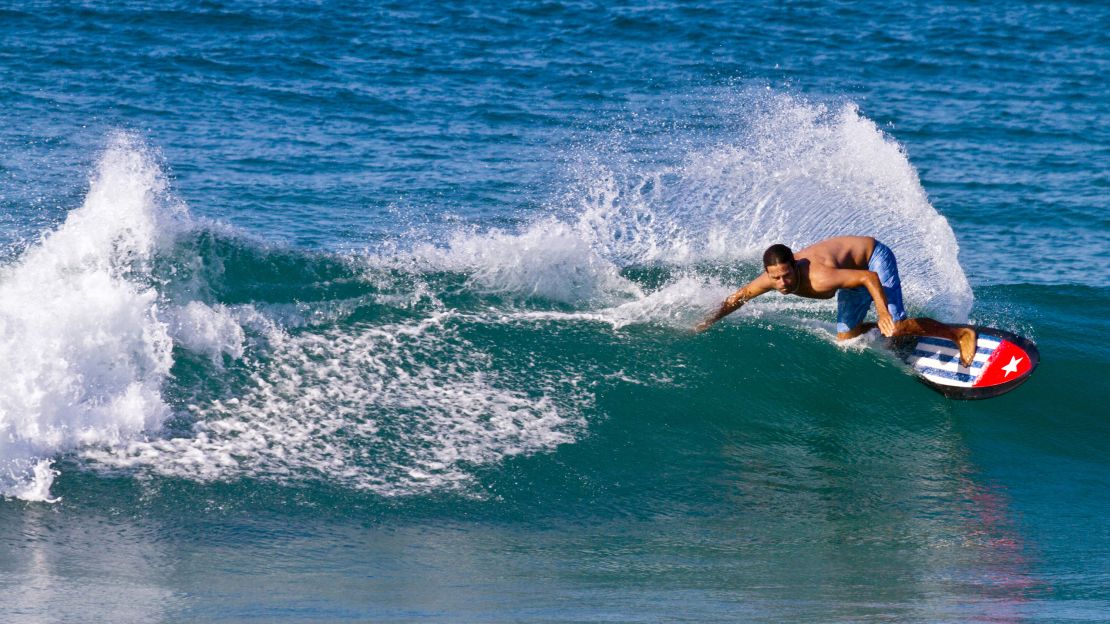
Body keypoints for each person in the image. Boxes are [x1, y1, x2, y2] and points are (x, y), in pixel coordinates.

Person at [694, 236, 977, 366]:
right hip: (852, 276)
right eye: (775, 278)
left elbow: (869, 277)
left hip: (873, 259)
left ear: (794, 265)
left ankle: (958, 333)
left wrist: (882, 313)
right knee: (847, 337)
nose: (782, 284)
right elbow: (738, 297)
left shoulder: (819, 278)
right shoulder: (771, 279)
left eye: (786, 276)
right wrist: (708, 321)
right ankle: (895, 332)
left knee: (897, 325)